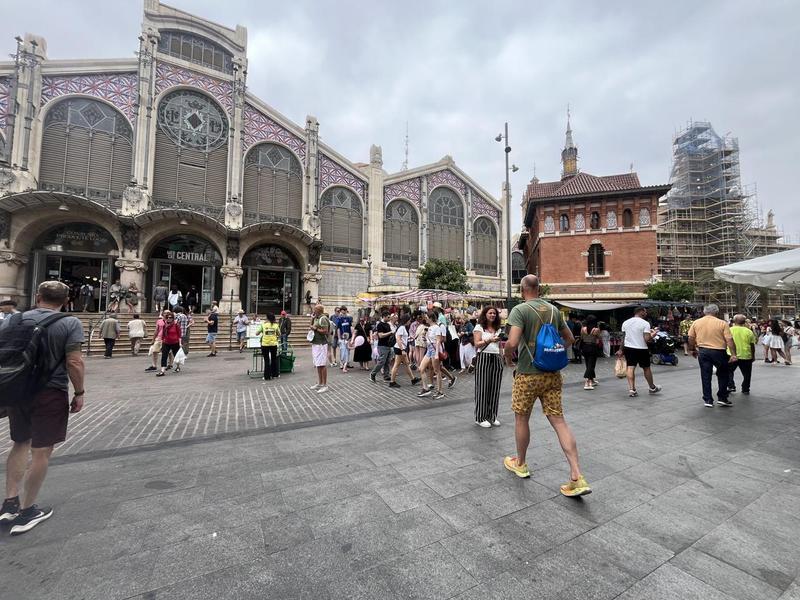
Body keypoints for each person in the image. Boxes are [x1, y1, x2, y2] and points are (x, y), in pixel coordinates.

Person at [1, 281, 85, 535]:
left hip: (18, 390)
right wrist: (79, 392)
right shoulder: (69, 323)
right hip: (50, 391)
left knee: (20, 443)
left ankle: (9, 502)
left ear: (37, 297)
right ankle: (27, 511)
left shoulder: (13, 321)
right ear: (67, 300)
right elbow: (74, 361)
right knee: (41, 451)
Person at [502, 275, 591, 497]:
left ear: (523, 290)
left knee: (522, 418)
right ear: (539, 289)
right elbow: (570, 338)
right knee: (559, 421)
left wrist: (507, 357)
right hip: (552, 375)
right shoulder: (553, 310)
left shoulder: (520, 310)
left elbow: (512, 343)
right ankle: (576, 475)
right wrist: (552, 348)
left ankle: (520, 463)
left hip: (528, 374)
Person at [687, 304, 737, 408]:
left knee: (705, 375)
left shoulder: (696, 322)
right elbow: (729, 340)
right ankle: (722, 398)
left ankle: (708, 399)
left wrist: (691, 349)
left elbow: (691, 337)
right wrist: (733, 354)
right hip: (719, 351)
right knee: (723, 374)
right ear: (716, 312)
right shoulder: (722, 323)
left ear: (704, 312)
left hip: (703, 351)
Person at [618, 306, 662, 398]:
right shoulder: (645, 323)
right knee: (646, 368)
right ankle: (652, 387)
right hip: (642, 348)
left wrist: (621, 349)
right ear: (641, 312)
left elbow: (623, 337)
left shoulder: (625, 322)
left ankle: (632, 390)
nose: (646, 314)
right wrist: (654, 334)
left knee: (630, 367)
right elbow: (647, 339)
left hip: (629, 348)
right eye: (645, 312)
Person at [473, 306, 504, 427]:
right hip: (484, 357)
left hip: (496, 358)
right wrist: (489, 340)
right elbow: (476, 344)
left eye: (494, 313)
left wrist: (502, 358)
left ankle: (492, 415)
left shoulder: (498, 329)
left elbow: (500, 346)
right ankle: (480, 417)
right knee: (482, 387)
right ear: (485, 314)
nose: (492, 315)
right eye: (490, 313)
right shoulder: (479, 327)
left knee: (495, 388)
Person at [389, 314, 420, 387]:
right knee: (397, 365)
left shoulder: (402, 327)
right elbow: (398, 339)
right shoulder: (402, 328)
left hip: (401, 348)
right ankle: (392, 382)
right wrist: (402, 350)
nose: (410, 321)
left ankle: (413, 379)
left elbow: (401, 339)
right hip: (400, 348)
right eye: (409, 320)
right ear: (406, 320)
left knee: (406, 364)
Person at [416, 312, 443, 399]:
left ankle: (440, 391)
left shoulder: (437, 328)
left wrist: (436, 354)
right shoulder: (429, 328)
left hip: (435, 350)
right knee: (421, 368)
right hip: (429, 349)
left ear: (431, 318)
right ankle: (425, 388)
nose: (425, 319)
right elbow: (430, 340)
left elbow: (438, 341)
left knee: (436, 370)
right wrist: (425, 338)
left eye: (427, 317)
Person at [728, 314, 756, 395]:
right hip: (746, 355)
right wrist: (753, 356)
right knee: (747, 374)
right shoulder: (748, 331)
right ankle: (745, 388)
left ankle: (731, 385)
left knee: (729, 371)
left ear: (734, 321)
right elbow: (752, 345)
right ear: (744, 321)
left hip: (731, 355)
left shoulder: (730, 330)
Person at [309, 304, 330, 393]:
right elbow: (311, 326)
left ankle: (325, 385)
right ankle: (320, 383)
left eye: (315, 309)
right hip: (316, 343)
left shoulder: (323, 318)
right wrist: (312, 318)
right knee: (318, 364)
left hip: (321, 344)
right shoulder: (317, 318)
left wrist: (316, 329)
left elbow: (326, 331)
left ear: (319, 310)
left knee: (322, 364)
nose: (314, 310)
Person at [155, 311, 183, 376]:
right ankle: (162, 371)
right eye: (167, 317)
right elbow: (163, 335)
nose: (168, 319)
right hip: (166, 342)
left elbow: (179, 334)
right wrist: (162, 341)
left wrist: (180, 343)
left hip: (175, 342)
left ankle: (178, 366)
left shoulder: (176, 325)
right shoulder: (165, 325)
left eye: (170, 317)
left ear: (173, 318)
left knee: (176, 355)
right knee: (164, 356)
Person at [370, 310, 394, 383]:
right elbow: (380, 335)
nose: (389, 318)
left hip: (388, 345)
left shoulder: (387, 324)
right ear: (384, 317)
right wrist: (390, 332)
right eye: (388, 317)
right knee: (381, 361)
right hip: (382, 346)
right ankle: (373, 374)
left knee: (387, 362)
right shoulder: (380, 324)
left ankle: (386, 376)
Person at [580, 315, 601, 390]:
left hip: (585, 347)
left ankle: (592, 380)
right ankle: (587, 382)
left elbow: (581, 337)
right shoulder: (596, 329)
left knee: (588, 363)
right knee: (591, 364)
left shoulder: (583, 329)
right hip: (592, 347)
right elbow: (599, 337)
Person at [257, 313, 280, 381]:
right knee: (273, 359)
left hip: (265, 344)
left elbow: (257, 333)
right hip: (273, 344)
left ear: (267, 318)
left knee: (266, 360)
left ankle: (267, 376)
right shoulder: (276, 325)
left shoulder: (263, 325)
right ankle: (274, 374)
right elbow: (279, 333)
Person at [337, 306, 354, 372]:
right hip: (342, 337)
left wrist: (352, 336)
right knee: (342, 350)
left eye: (345, 310)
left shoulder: (349, 318)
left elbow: (351, 327)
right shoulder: (339, 319)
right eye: (343, 310)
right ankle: (341, 364)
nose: (344, 311)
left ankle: (347, 363)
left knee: (348, 350)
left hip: (348, 336)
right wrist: (339, 338)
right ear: (341, 311)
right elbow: (338, 329)